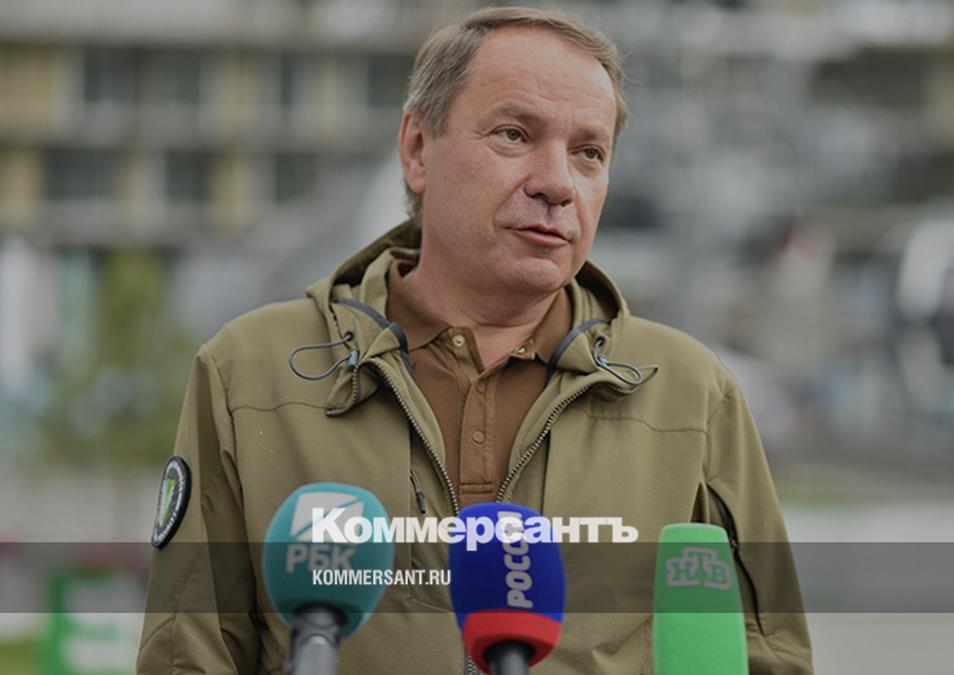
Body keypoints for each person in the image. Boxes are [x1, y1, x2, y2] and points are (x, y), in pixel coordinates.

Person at [137, 7, 813, 673]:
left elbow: (771, 657)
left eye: (589, 152)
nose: (557, 184)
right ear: (417, 149)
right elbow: (186, 658)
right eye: (515, 134)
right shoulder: (250, 372)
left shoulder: (692, 392)